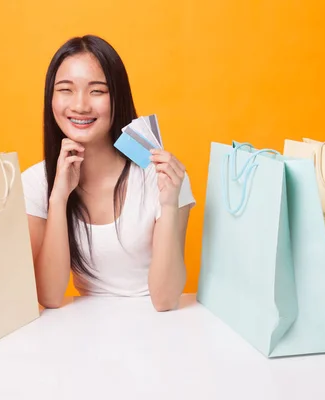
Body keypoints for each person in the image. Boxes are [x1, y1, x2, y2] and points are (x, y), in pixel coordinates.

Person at [21, 35, 196, 312]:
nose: (80, 105)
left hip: (158, 330)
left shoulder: (162, 177)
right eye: (66, 89)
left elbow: (165, 300)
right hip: (86, 332)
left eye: (97, 91)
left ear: (118, 98)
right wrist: (58, 198)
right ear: (50, 98)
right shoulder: (35, 182)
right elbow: (50, 297)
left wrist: (168, 205)